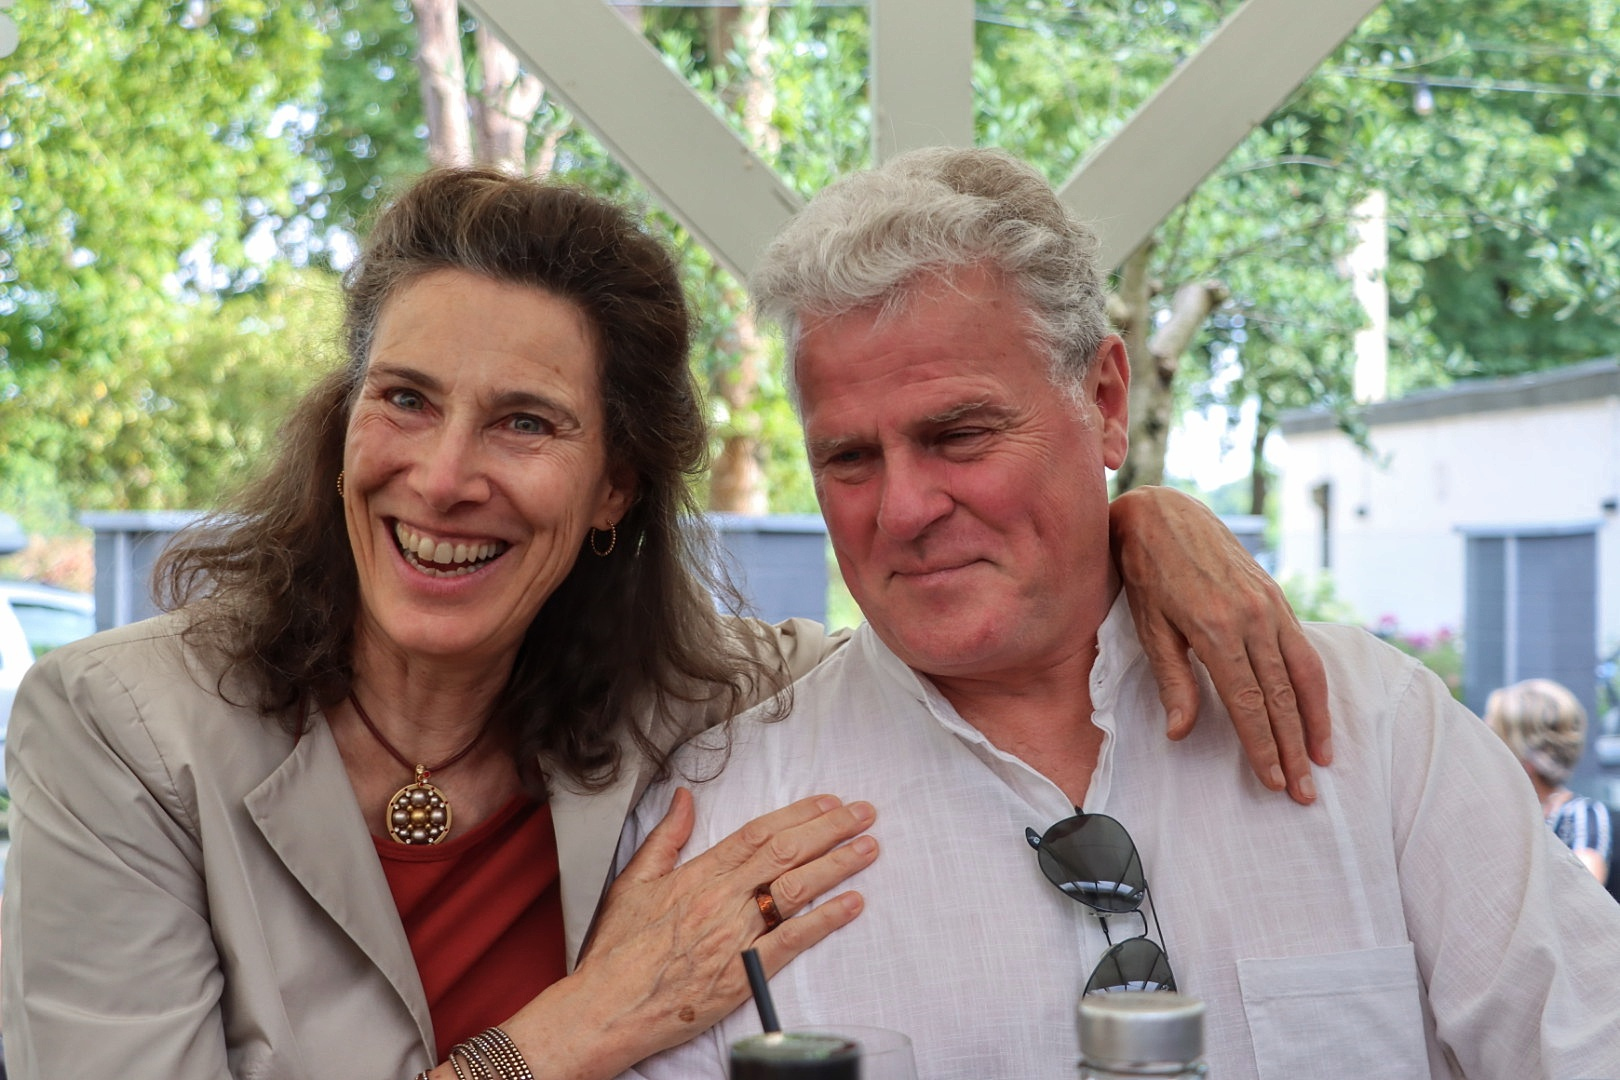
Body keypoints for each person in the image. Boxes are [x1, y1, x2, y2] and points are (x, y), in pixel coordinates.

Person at [0, 167, 1332, 1080]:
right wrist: (565, 1036)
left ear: (614, 490)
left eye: (525, 423)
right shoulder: (123, 732)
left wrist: (1139, 522)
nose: (445, 476)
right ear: (344, 424)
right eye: (404, 399)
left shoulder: (702, 702)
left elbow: (964, 617)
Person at [620, 147, 1620, 1080]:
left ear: (1104, 399)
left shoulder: (1374, 732)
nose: (906, 508)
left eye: (960, 435)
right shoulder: (724, 828)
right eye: (848, 458)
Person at [1485, 678, 1612, 882]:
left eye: (1494, 738)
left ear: (1522, 754)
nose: (1485, 750)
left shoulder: (1580, 815)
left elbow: (1584, 889)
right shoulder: (1494, 812)